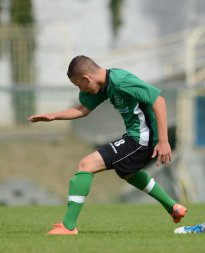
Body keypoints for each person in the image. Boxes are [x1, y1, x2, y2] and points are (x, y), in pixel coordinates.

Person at [28, 55, 187, 235]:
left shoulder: (120, 81)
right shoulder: (105, 85)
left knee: (86, 165)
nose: (81, 90)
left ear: (87, 78)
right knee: (128, 173)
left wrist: (164, 141)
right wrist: (53, 116)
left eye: (79, 85)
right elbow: (82, 109)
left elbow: (159, 101)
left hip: (142, 139)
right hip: (138, 137)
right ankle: (173, 207)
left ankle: (68, 226)